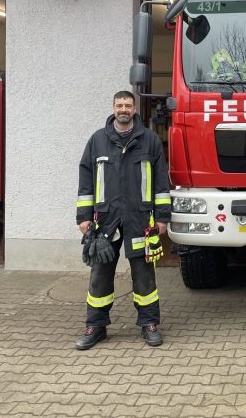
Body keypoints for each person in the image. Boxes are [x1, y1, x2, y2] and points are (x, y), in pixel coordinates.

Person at [74, 91, 171, 350]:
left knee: (144, 275)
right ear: (113, 108)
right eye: (119, 105)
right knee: (100, 274)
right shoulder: (97, 140)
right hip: (104, 220)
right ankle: (95, 326)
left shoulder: (149, 141)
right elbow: (86, 180)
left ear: (135, 109)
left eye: (128, 105)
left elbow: (162, 181)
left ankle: (149, 324)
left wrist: (162, 217)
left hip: (140, 218)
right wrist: (84, 217)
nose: (124, 109)